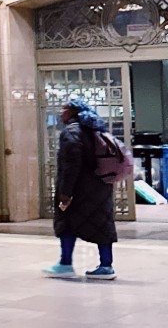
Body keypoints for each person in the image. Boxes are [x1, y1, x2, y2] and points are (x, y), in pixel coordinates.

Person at [45, 97, 117, 279]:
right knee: (102, 225)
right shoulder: (95, 130)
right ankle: (106, 265)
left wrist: (65, 192)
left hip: (79, 189)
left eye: (64, 109)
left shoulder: (71, 132)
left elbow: (72, 164)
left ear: (72, 112)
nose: (61, 112)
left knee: (66, 223)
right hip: (100, 186)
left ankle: (65, 263)